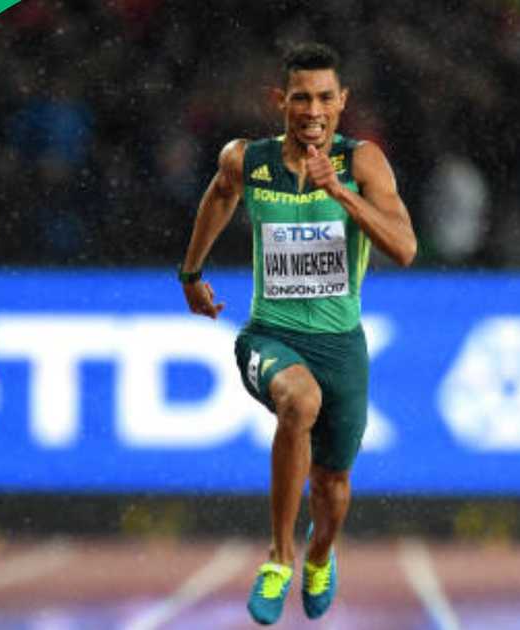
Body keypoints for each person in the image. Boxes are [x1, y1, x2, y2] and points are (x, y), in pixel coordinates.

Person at [179, 43, 416, 625]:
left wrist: (338, 192)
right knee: (298, 401)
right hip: (269, 334)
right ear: (279, 101)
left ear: (343, 103)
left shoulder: (363, 164)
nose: (313, 110)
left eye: (325, 98)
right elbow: (219, 194)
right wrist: (190, 274)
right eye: (301, 97)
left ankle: (318, 554)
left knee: (333, 482)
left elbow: (405, 248)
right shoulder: (247, 159)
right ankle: (279, 557)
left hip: (342, 346)